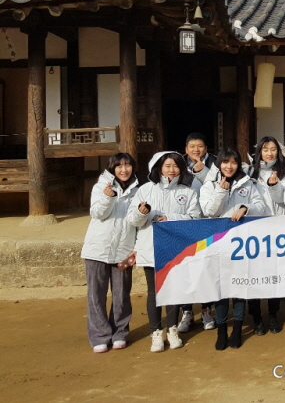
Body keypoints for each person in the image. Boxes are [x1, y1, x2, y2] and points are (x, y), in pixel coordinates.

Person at [127, 151, 201, 352]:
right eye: (167, 166)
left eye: (176, 166)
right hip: (151, 247)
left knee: (173, 290)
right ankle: (156, 333)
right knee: (154, 292)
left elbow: (195, 218)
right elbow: (132, 220)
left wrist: (171, 218)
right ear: (158, 167)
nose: (172, 170)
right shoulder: (145, 190)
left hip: (176, 248)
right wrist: (141, 212)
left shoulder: (187, 192)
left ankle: (172, 330)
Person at [200, 148, 267, 350]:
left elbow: (261, 206)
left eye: (234, 162)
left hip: (241, 244)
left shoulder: (247, 183)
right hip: (218, 243)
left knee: (239, 286)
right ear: (219, 164)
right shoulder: (209, 185)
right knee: (221, 288)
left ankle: (237, 329)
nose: (229, 166)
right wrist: (221, 191)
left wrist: (246, 208)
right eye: (225, 162)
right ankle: (221, 330)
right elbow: (209, 211)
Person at [81, 152, 139, 353]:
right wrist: (108, 197)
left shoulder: (138, 191)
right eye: (119, 166)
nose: (124, 170)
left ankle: (120, 333)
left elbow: (137, 221)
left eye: (127, 165)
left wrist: (136, 248)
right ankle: (100, 335)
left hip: (123, 250)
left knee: (122, 294)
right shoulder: (100, 187)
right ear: (112, 168)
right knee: (96, 295)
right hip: (97, 249)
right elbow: (97, 213)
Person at [247, 136, 285, 335]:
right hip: (254, 230)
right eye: (265, 149)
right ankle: (256, 317)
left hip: (277, 228)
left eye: (273, 149)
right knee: (254, 275)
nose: (270, 153)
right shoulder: (250, 173)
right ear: (259, 153)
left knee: (274, 274)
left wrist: (274, 186)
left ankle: (273, 314)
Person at [178, 132, 217, 333]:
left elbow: (218, 185)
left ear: (206, 148)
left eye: (200, 146)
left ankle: (206, 309)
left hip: (208, 222)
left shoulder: (216, 163)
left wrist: (202, 172)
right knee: (185, 267)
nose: (196, 150)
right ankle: (186, 311)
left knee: (206, 268)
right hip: (185, 223)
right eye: (192, 146)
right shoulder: (177, 164)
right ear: (186, 149)